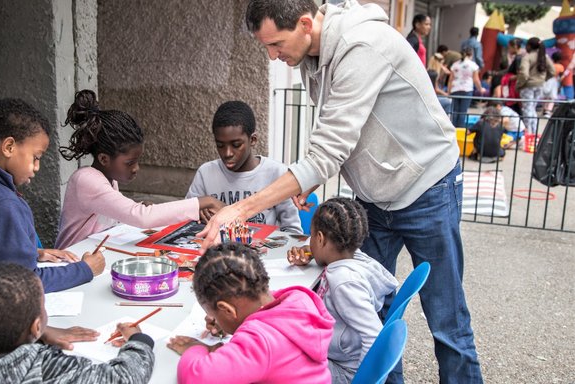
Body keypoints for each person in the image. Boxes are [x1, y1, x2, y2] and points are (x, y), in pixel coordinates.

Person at [200, 1, 484, 383]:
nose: (272, 56)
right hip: (374, 196)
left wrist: (240, 210)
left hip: (426, 187)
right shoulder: (309, 55)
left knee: (446, 320)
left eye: (275, 44)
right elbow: (339, 136)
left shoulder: (361, 45)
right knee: (369, 311)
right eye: (265, 47)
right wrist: (313, 175)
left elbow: (328, 149)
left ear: (305, 24)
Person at [0, 98, 106, 304]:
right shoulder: (3, 202)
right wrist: (85, 269)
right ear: (8, 147)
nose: (37, 167)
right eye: (36, 157)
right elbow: (28, 282)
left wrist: (31, 253)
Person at [55, 90, 225, 249]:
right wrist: (204, 201)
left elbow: (117, 214)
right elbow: (142, 216)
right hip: (71, 262)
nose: (136, 169)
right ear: (104, 159)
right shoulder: (86, 179)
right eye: (130, 163)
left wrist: (137, 207)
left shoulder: (108, 178)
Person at [0, 262, 155, 383]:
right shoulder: (43, 366)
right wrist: (139, 340)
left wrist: (39, 332)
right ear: (36, 326)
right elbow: (123, 378)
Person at [167, 243, 334, 383]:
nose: (215, 320)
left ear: (227, 310)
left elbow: (195, 377)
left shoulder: (260, 342)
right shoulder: (298, 300)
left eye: (216, 315)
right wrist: (226, 320)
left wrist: (195, 348)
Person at [286, 198, 398, 384]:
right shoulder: (356, 257)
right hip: (339, 355)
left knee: (279, 360)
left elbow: (374, 336)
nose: (310, 240)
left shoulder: (344, 282)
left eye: (311, 236)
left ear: (320, 239)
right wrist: (311, 252)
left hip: (343, 370)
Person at [186, 101, 302, 233]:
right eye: (220, 145)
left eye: (236, 145)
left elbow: (292, 231)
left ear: (252, 140)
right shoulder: (205, 173)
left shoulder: (277, 173)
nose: (227, 153)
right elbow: (184, 222)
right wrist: (197, 214)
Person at [517, 37, 555, 135]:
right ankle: (533, 133)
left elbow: (524, 74)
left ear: (529, 46)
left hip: (528, 86)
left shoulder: (527, 57)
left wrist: (520, 84)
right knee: (532, 109)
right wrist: (543, 79)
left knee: (527, 110)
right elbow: (552, 71)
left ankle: (528, 133)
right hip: (540, 86)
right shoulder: (544, 56)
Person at [449, 47, 485, 128]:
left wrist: (448, 92)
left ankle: (453, 129)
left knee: (454, 112)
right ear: (471, 54)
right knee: (463, 112)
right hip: (467, 90)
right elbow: (476, 80)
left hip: (455, 89)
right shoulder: (473, 65)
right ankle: (460, 131)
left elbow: (450, 80)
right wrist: (480, 89)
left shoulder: (455, 65)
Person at [542, 51, 565, 117]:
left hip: (546, 81)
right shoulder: (560, 66)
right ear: (560, 59)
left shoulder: (549, 65)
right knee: (552, 98)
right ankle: (548, 111)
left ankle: (544, 109)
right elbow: (561, 76)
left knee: (546, 97)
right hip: (554, 82)